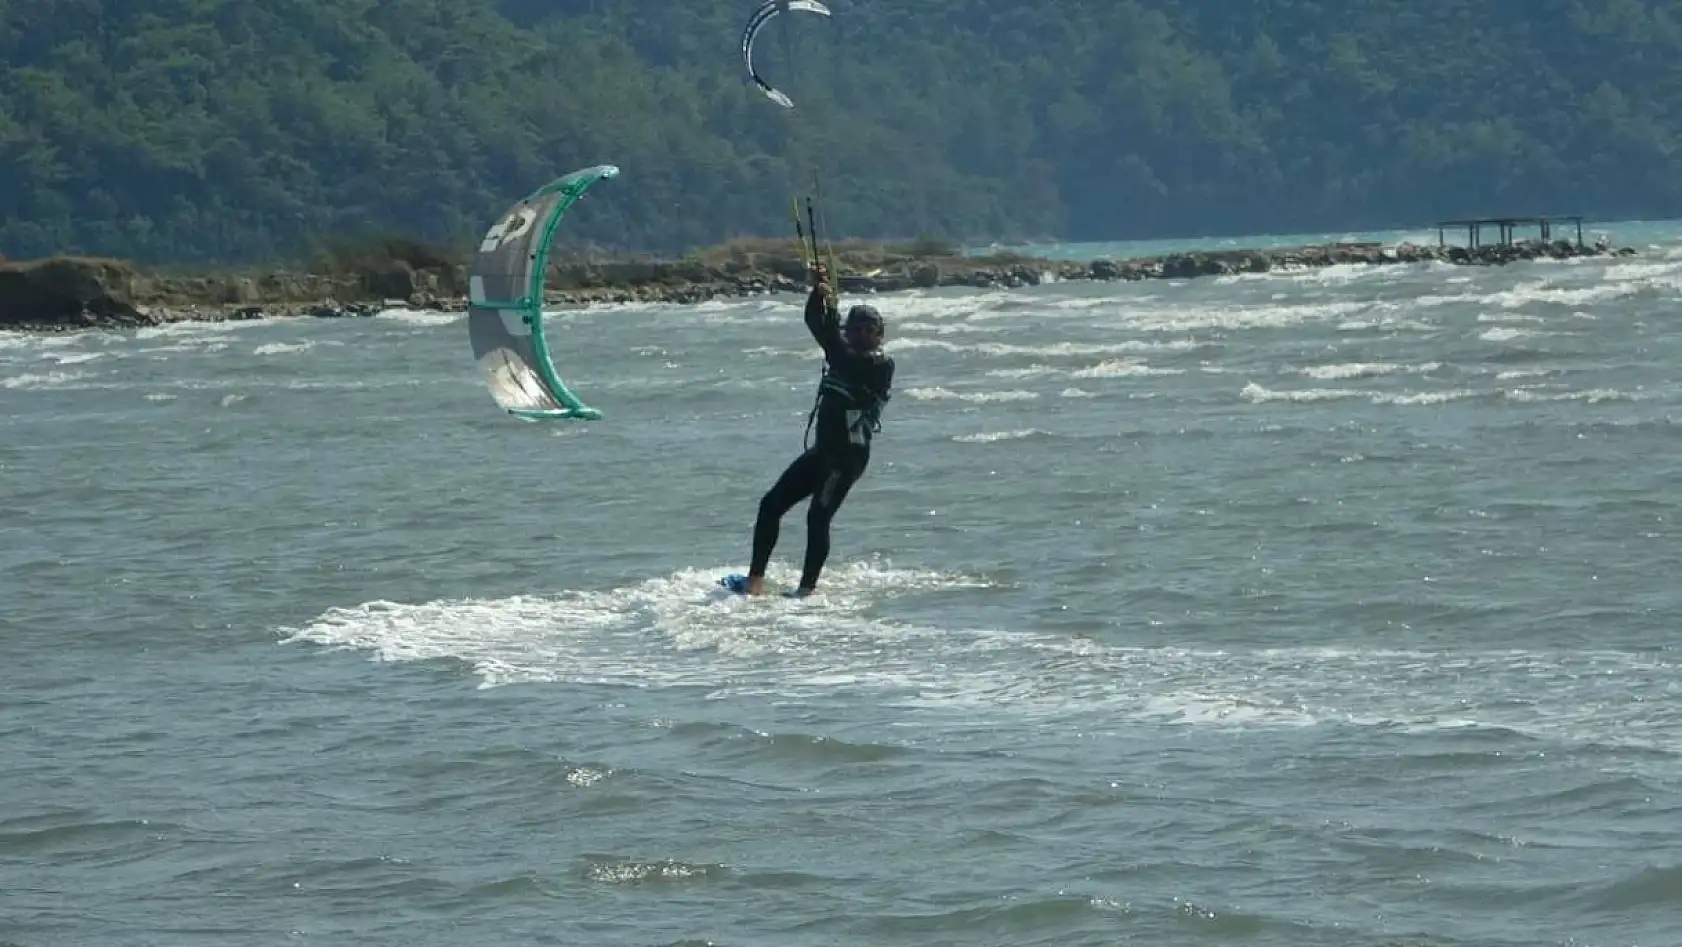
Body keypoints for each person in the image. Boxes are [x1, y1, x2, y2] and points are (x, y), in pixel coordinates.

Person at [743, 261, 894, 596]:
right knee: (770, 506)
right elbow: (819, 326)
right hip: (822, 452)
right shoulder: (841, 350)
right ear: (848, 331)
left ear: (880, 336)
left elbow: (833, 345)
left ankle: (806, 591)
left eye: (870, 330)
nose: (862, 334)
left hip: (848, 458)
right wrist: (818, 293)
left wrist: (827, 315)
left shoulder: (877, 365)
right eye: (856, 329)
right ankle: (755, 582)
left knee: (817, 517)